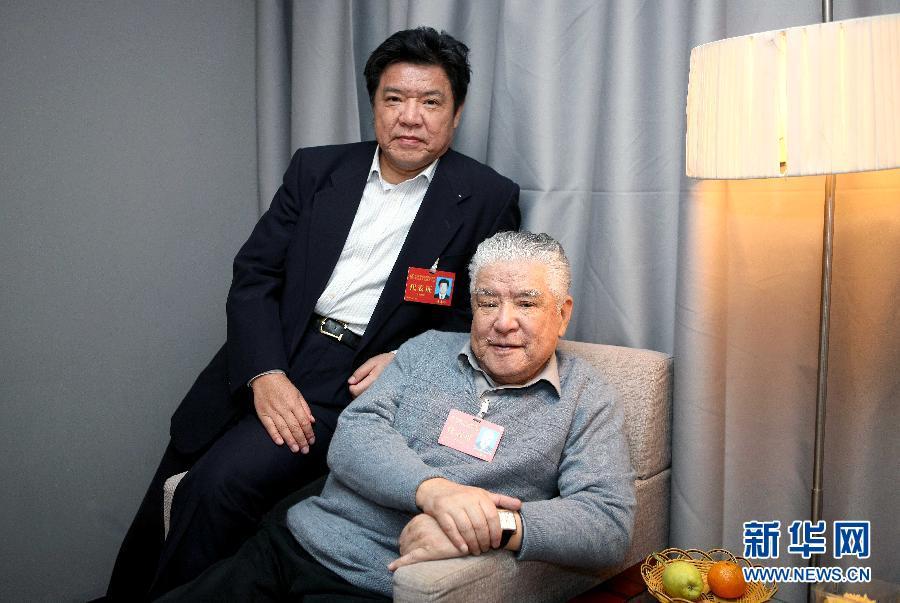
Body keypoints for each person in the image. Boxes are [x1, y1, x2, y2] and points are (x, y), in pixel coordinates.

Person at [107, 27, 520, 600]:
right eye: (394, 99)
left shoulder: (487, 196)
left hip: (352, 378)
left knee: (217, 486)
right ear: (373, 105)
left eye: (430, 102)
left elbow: (478, 313)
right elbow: (256, 275)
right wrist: (264, 372)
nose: (410, 117)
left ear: (456, 112)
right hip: (271, 349)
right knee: (163, 495)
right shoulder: (317, 169)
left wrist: (409, 358)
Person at [157, 231, 636, 601]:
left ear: (562, 313)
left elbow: (606, 524)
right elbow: (354, 435)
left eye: (526, 304)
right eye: (487, 302)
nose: (503, 322)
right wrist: (436, 492)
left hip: (374, 586)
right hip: (291, 545)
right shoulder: (426, 351)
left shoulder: (586, 398)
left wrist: (492, 526)